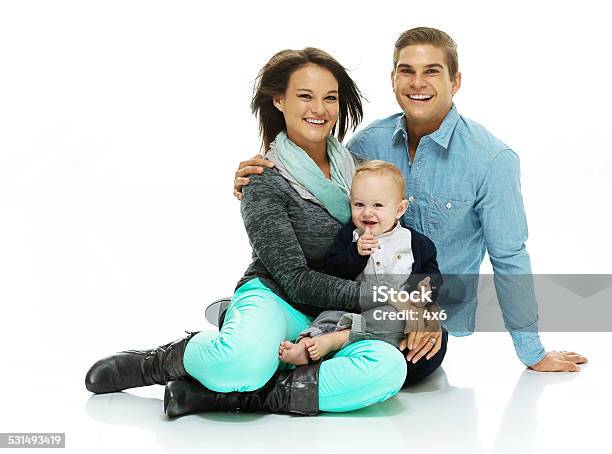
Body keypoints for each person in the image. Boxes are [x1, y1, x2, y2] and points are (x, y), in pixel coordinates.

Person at [85, 47, 440, 419]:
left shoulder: (364, 175)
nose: (319, 108)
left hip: (337, 316)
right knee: (239, 362)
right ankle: (161, 362)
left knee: (388, 369)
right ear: (279, 100)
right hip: (280, 297)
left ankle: (243, 397)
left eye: (329, 97)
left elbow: (402, 247)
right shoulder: (262, 180)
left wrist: (419, 304)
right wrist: (386, 297)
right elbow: (296, 280)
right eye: (305, 95)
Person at [233, 27, 587, 372]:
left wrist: (532, 352)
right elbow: (316, 183)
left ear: (456, 82)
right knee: (323, 352)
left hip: (425, 315)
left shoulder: (491, 160)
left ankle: (298, 364)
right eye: (407, 71)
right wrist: (260, 173)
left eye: (432, 71)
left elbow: (509, 257)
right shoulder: (366, 147)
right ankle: (279, 351)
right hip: (348, 299)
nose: (417, 83)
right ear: (393, 78)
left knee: (406, 365)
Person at [279, 160, 444, 366]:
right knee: (328, 315)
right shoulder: (349, 236)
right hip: (353, 307)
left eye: (378, 205)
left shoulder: (416, 242)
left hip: (391, 311)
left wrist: (425, 290)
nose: (367, 212)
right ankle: (306, 343)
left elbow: (432, 276)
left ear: (400, 209)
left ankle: (337, 339)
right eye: (359, 204)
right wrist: (356, 254)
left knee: (395, 320)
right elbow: (334, 271)